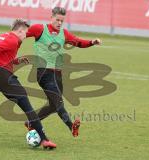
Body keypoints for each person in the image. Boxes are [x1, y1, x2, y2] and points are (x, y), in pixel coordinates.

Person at [0, 18, 56, 149]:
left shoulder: (4, 36)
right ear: (19, 31)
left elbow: (2, 55)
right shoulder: (13, 40)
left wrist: (16, 61)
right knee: (27, 106)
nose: (26, 35)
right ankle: (44, 139)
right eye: (25, 33)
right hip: (2, 76)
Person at [25, 7, 102, 137]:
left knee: (54, 105)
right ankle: (71, 126)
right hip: (44, 73)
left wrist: (92, 42)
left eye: (62, 21)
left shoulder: (64, 33)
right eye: (57, 20)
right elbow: (20, 34)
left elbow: (78, 42)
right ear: (51, 17)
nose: (60, 23)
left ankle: (31, 123)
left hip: (57, 75)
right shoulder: (39, 29)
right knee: (58, 102)